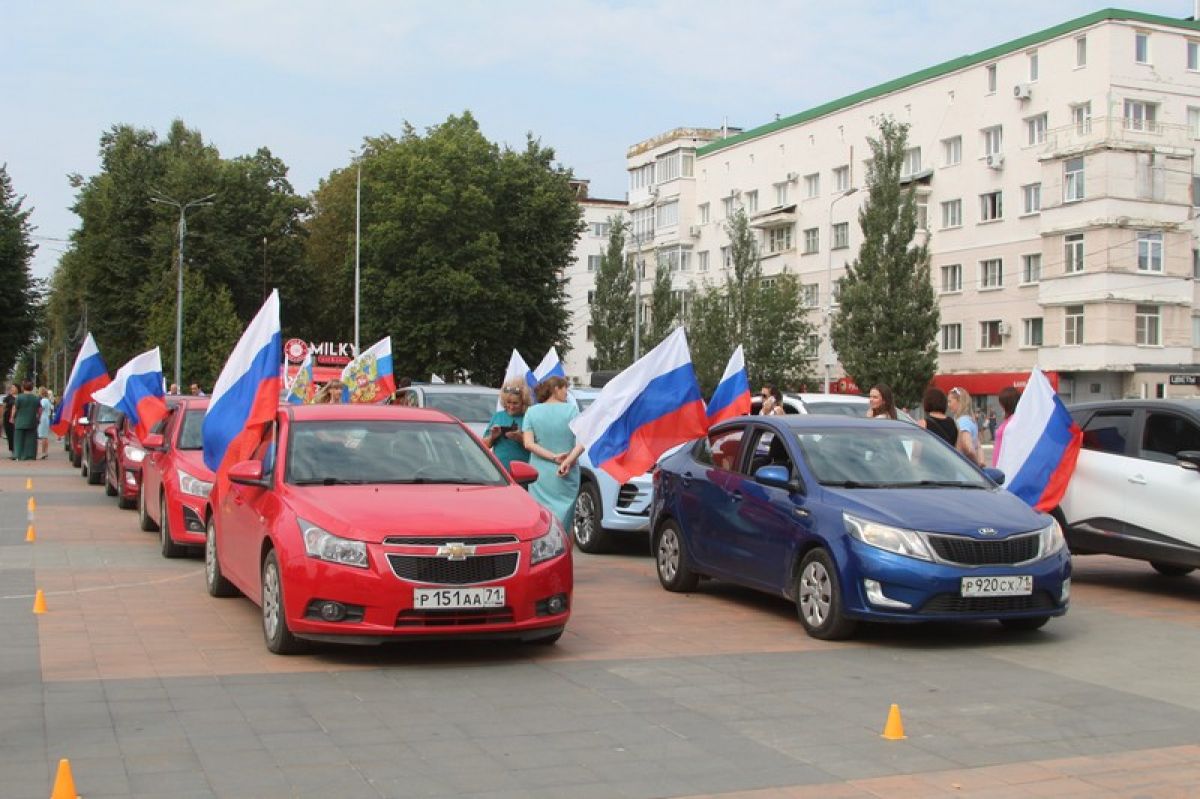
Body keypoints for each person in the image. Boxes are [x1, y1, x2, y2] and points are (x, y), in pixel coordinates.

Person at [522, 376, 583, 529]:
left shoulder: (531, 412)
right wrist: (567, 460)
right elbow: (583, 442)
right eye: (565, 389)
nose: (566, 394)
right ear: (556, 389)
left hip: (539, 474)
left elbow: (528, 444)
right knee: (565, 523)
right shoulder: (572, 411)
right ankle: (565, 551)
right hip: (566, 472)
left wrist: (553, 456)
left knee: (541, 518)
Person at [487, 380, 531, 470]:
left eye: (515, 403)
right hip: (500, 470)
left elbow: (537, 447)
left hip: (524, 469)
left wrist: (520, 438)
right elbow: (485, 445)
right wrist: (493, 437)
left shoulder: (529, 417)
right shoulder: (498, 416)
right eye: (508, 402)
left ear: (523, 402)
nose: (511, 406)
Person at [947, 386, 985, 467]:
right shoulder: (971, 420)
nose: (948, 405)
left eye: (950, 401)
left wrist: (976, 464)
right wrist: (981, 463)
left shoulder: (962, 421)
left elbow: (968, 448)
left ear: (959, 401)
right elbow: (978, 446)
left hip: (963, 468)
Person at [992, 386, 1021, 466]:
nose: (1000, 405)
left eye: (1001, 402)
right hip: (1001, 466)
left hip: (1005, 466)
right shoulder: (1010, 419)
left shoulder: (1014, 421)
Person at [12, 381, 40, 461]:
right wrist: (38, 418)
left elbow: (15, 408)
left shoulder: (19, 397)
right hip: (32, 421)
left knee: (18, 439)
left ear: (23, 387)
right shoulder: (36, 398)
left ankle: (18, 455)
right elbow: (39, 410)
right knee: (31, 439)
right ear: (32, 388)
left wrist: (12, 417)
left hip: (20, 421)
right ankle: (30, 455)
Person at [36, 388, 54, 460]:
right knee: (45, 436)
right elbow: (51, 408)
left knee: (43, 436)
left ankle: (43, 452)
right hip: (46, 418)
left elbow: (41, 409)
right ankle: (45, 452)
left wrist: (37, 416)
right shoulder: (48, 400)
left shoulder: (43, 400)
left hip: (42, 418)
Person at [3, 384, 15, 457]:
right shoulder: (7, 398)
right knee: (10, 435)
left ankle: (17, 450)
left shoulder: (20, 396)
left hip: (17, 417)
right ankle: (12, 451)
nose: (11, 390)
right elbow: (3, 408)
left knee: (16, 434)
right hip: (8, 418)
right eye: (11, 388)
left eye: (13, 388)